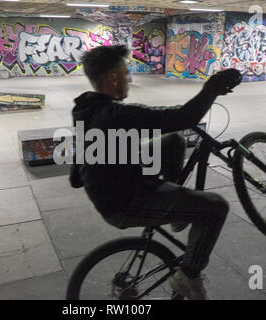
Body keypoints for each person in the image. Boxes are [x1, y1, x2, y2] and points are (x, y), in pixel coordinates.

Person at [69, 45, 241, 300]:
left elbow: (75, 178)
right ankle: (188, 277)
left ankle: (174, 210)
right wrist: (211, 88)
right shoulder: (117, 114)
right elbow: (182, 118)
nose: (129, 78)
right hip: (123, 203)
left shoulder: (86, 110)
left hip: (120, 183)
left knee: (173, 141)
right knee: (216, 208)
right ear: (112, 78)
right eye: (126, 73)